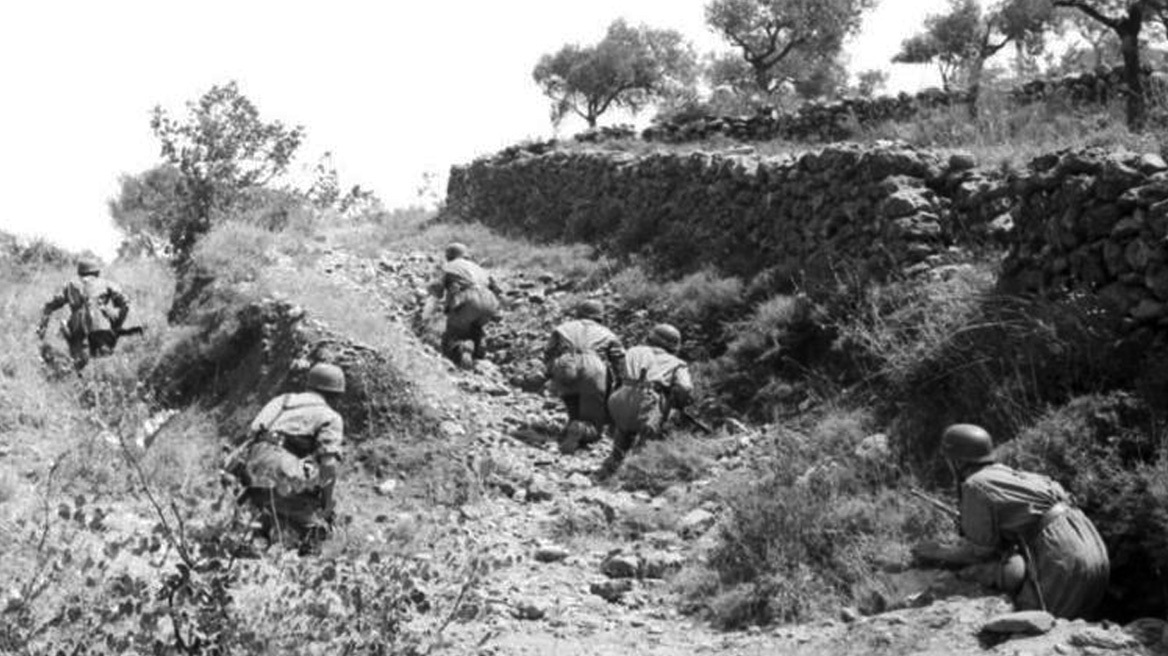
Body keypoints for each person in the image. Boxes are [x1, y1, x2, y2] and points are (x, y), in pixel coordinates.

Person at [937, 423, 1110, 619]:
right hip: (1091, 543)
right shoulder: (1015, 475)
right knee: (1075, 623)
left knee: (1032, 623)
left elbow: (980, 552)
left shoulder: (974, 485)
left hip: (1063, 554)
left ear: (958, 462)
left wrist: (937, 552)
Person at [235, 362, 346, 556]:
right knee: (320, 531)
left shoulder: (282, 400)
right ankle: (308, 544)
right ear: (335, 395)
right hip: (281, 472)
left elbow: (253, 432)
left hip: (249, 468)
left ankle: (257, 537)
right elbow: (328, 465)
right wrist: (326, 503)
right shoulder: (330, 416)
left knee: (266, 506)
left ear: (309, 385)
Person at [597, 324, 694, 479]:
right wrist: (678, 402)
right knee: (650, 429)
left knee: (624, 429)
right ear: (674, 346)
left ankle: (612, 464)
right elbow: (685, 387)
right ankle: (636, 467)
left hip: (618, 399)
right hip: (646, 401)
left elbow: (619, 370)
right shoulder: (677, 363)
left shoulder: (633, 351)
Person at [544, 299, 625, 454]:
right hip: (593, 370)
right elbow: (620, 361)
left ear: (579, 313)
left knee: (573, 406)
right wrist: (619, 385)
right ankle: (583, 430)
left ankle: (572, 425)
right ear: (600, 316)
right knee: (594, 425)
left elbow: (548, 353)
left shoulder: (562, 328)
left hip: (566, 367)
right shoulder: (608, 334)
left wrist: (552, 373)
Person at [36, 259, 131, 371]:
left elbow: (48, 306)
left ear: (79, 272)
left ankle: (69, 371)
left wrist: (42, 329)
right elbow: (125, 304)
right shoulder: (106, 283)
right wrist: (117, 323)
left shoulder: (69, 285)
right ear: (97, 272)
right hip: (101, 325)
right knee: (103, 362)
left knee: (77, 362)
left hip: (76, 327)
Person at [427, 242, 503, 368]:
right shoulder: (480, 269)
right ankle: (478, 349)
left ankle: (461, 353)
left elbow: (437, 289)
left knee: (454, 333)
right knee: (475, 327)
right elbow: (498, 290)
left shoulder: (448, 266)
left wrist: (435, 293)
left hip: (468, 299)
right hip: (490, 301)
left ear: (449, 256)